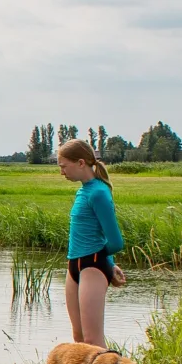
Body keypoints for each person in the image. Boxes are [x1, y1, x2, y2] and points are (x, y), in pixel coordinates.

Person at [58, 139, 126, 348]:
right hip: (75, 266)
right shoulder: (84, 190)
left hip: (92, 266)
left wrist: (105, 264)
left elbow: (115, 241)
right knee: (79, 340)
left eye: (63, 166)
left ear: (80, 163)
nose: (62, 172)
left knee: (93, 341)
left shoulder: (98, 193)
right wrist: (110, 263)